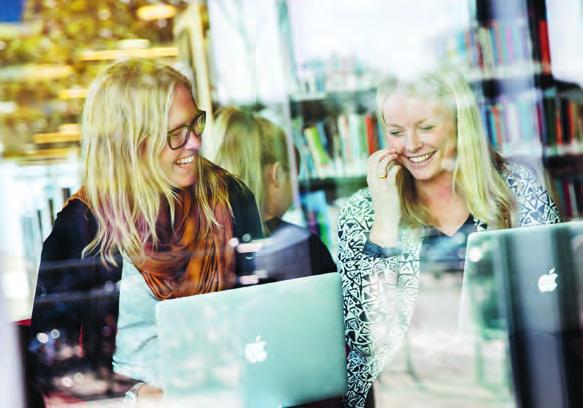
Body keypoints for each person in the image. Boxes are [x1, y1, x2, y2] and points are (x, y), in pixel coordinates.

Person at [27, 59, 262, 404]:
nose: (195, 142)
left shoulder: (229, 198)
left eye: (196, 124)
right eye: (175, 133)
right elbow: (52, 365)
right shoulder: (84, 227)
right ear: (130, 142)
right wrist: (136, 394)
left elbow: (266, 310)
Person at [336, 68, 561, 407]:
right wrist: (384, 223)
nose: (411, 145)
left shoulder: (518, 188)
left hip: (502, 369)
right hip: (408, 382)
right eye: (396, 132)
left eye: (426, 127)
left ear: (460, 125)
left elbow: (558, 297)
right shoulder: (363, 211)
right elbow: (367, 341)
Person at [212, 107, 337, 281]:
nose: (295, 190)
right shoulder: (301, 245)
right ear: (276, 174)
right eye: (294, 178)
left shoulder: (209, 247)